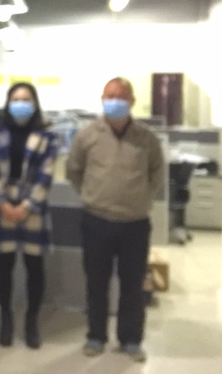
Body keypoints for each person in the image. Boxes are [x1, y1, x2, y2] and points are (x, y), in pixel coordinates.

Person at [67, 77, 165, 363]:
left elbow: (157, 174)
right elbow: (74, 170)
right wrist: (91, 195)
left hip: (135, 223)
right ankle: (96, 336)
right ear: (102, 99)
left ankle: (131, 339)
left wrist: (140, 199)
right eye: (110, 96)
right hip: (97, 221)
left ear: (132, 101)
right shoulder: (87, 135)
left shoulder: (147, 138)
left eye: (121, 97)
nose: (115, 102)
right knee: (96, 283)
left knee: (133, 285)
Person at [0, 82, 57, 349]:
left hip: (33, 206)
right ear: (8, 103)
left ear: (34, 104)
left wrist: (26, 206)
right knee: (4, 264)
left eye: (26, 99)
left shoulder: (47, 135)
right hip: (3, 203)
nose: (20, 104)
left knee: (34, 266)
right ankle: (6, 317)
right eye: (15, 99)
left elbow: (46, 175)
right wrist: (2, 203)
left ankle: (31, 320)